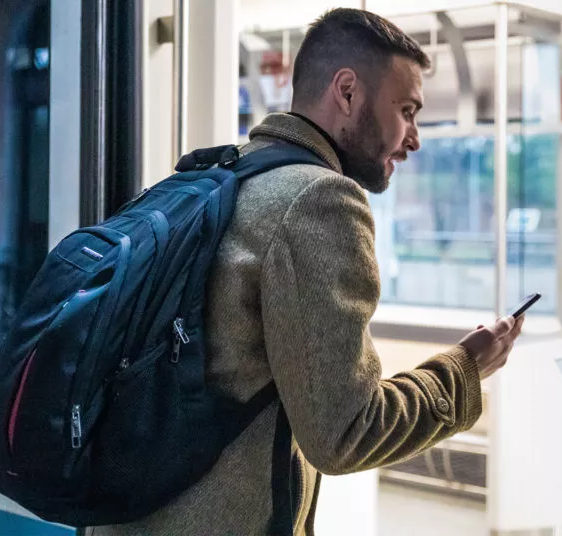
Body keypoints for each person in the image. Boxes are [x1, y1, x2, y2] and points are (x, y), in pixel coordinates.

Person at [92, 8, 523, 535]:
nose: (414, 138)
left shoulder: (218, 174)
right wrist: (464, 369)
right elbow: (346, 432)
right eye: (407, 110)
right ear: (346, 92)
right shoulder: (319, 200)